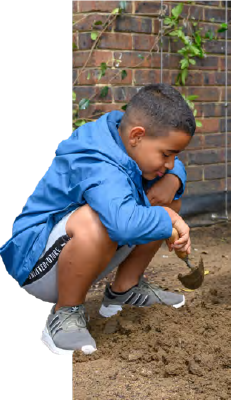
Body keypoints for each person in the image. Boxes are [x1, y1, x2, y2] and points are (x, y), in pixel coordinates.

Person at [0, 83, 195, 355]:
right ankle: (64, 313)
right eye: (167, 154)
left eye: (176, 155)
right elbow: (122, 225)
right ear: (137, 136)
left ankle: (124, 290)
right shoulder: (96, 159)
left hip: (79, 252)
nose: (172, 162)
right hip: (36, 262)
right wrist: (165, 217)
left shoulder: (124, 135)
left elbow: (163, 163)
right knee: (97, 219)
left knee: (165, 195)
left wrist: (174, 178)